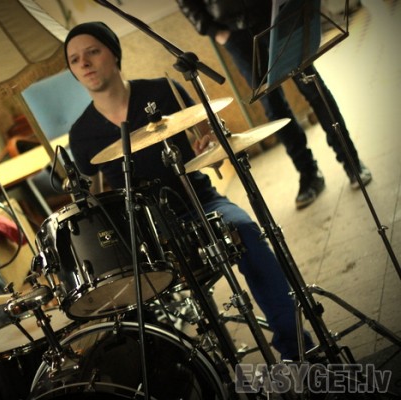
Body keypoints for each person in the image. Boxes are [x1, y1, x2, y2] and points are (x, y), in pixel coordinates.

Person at [64, 21, 314, 361]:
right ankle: (183, 371)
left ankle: (296, 349)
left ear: (114, 54)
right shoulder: (81, 133)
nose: (84, 63)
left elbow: (209, 138)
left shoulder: (162, 90)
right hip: (145, 232)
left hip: (200, 202)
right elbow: (90, 198)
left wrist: (208, 144)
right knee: (122, 292)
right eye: (75, 59)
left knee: (246, 231)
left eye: (92, 52)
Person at [176, 0, 372, 209]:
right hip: (233, 31)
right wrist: (215, 31)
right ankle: (308, 173)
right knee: (273, 106)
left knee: (313, 88)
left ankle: (351, 160)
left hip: (274, 14)